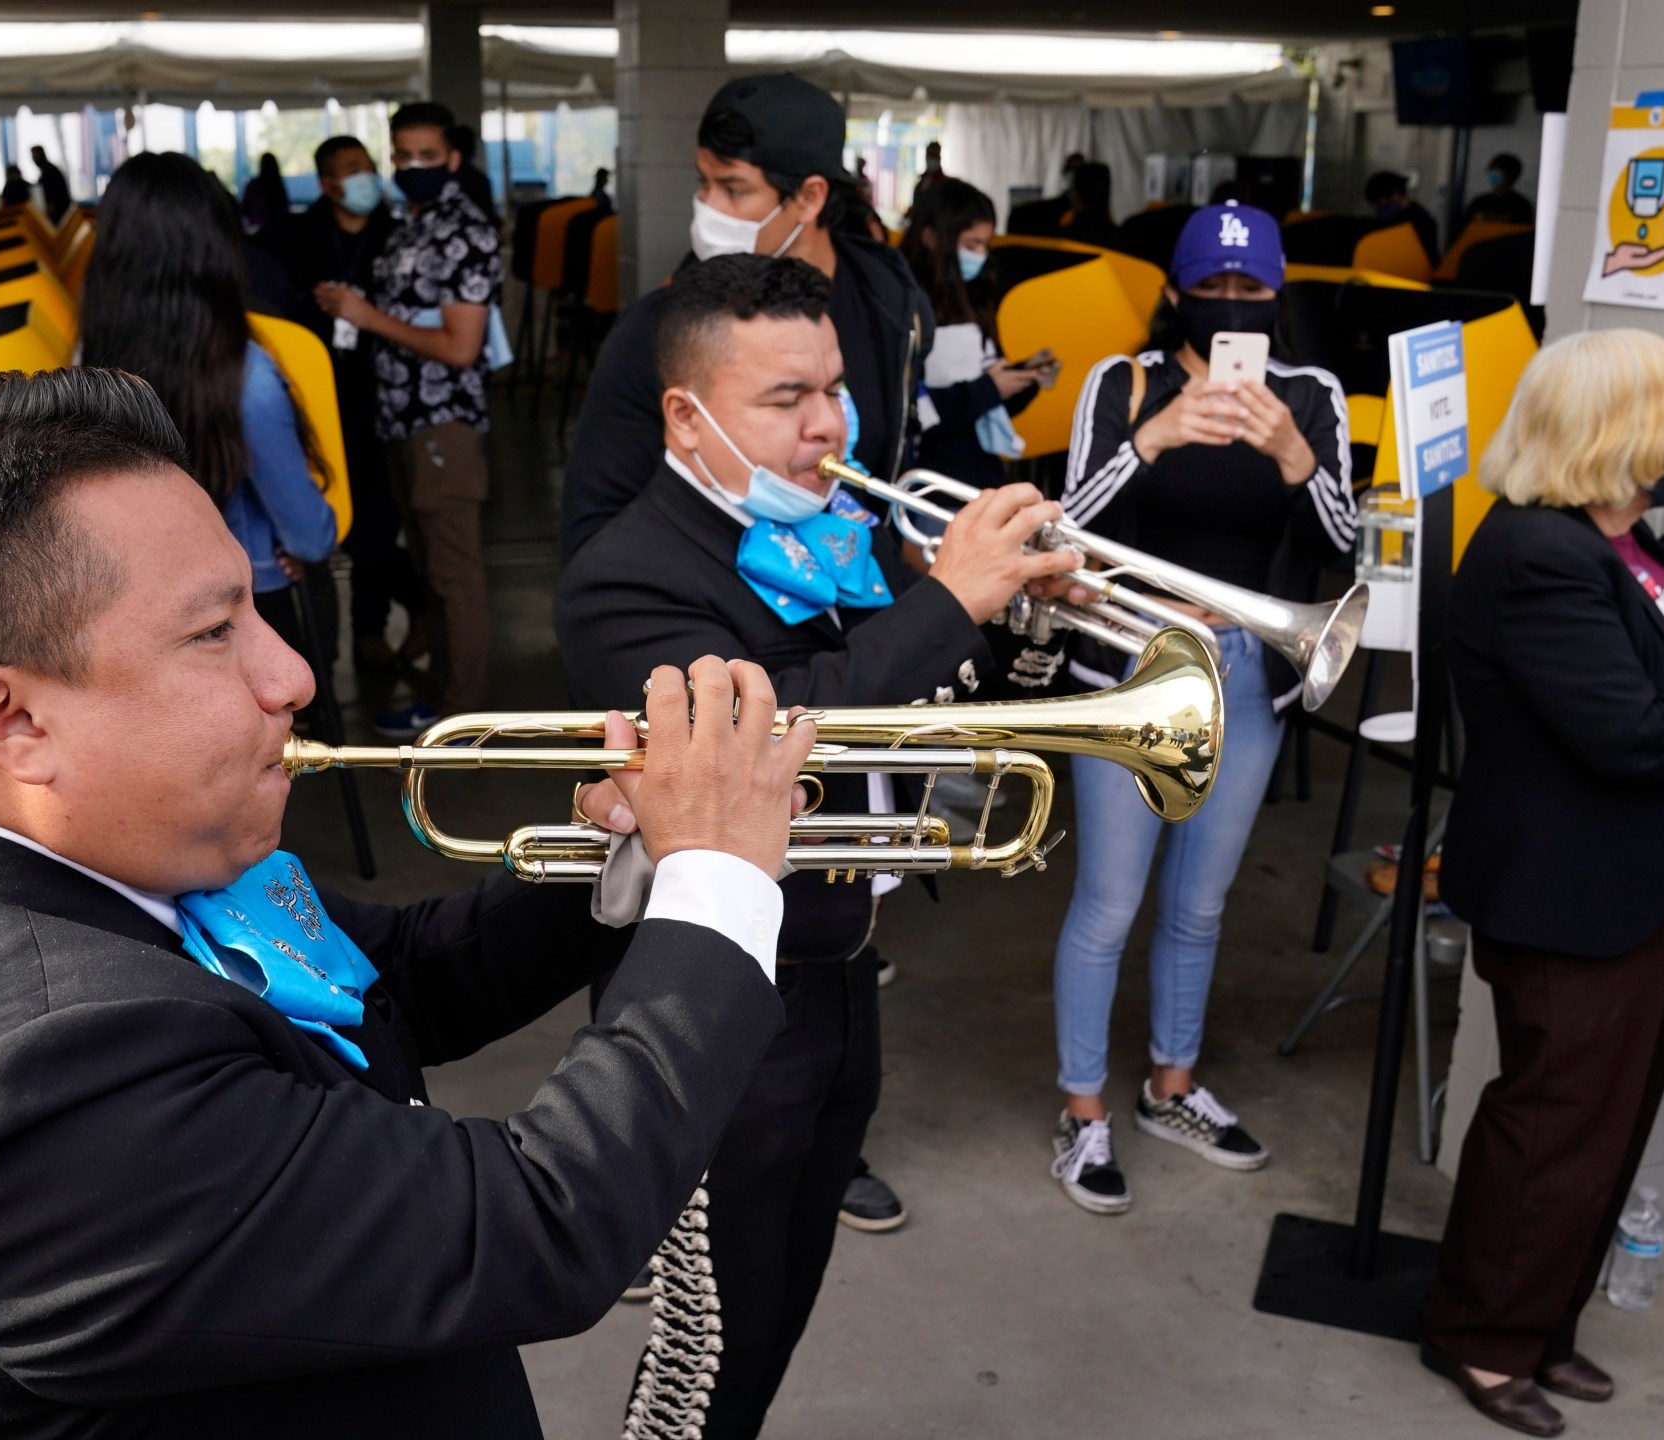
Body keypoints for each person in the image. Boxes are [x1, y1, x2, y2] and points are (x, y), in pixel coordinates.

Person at [0, 365, 811, 1437]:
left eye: (257, 606)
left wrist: (641, 859)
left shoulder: (98, 855)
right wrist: (717, 886)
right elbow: (539, 1227)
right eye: (212, 634)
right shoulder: (21, 1090)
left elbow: (393, 981)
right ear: (11, 722)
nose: (290, 674)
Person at [559, 255, 1079, 1440]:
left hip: (839, 964)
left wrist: (1026, 613)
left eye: (835, 389)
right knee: (710, 1344)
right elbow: (785, 721)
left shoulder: (832, 534)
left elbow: (933, 690)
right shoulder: (626, 575)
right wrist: (949, 596)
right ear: (687, 417)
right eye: (784, 397)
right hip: (711, 1011)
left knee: (786, 1293)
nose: (827, 425)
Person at [1422, 328, 1664, 1436]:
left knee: (1608, 1118)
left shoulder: (1629, 541)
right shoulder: (1538, 556)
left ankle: (1543, 1323)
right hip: (1580, 885)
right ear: (1618, 432)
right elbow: (1633, 731)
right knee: (1552, 1120)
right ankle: (1481, 1339)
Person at [1047, 203, 1354, 1215]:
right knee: (1108, 900)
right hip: (1132, 665)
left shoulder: (1309, 395)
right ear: (1176, 291)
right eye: (1210, 289)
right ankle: (1082, 1109)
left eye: (1250, 290)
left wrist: (1292, 457)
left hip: (1248, 667)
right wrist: (1154, 437)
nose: (1231, 306)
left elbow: (1346, 547)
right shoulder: (1123, 383)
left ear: (1276, 293)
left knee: (1201, 902)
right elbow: (1067, 530)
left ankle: (1170, 1085)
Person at [560, 73, 936, 567]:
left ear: (810, 197)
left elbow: (893, 479)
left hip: (862, 611)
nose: (708, 208)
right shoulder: (657, 331)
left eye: (734, 188)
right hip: (718, 627)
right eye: (704, 182)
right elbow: (595, 529)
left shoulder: (893, 310)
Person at [80, 151, 336, 662]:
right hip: (248, 610)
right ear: (215, 250)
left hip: (139, 609)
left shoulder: (88, 365)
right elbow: (309, 536)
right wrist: (300, 546)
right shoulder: (246, 376)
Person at [313, 100, 501, 734]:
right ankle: (446, 699)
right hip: (402, 419)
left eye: (428, 156)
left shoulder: (465, 232)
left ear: (451, 158)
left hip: (441, 422)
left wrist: (369, 319)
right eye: (404, 156)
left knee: (454, 572)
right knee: (429, 569)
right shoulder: (409, 226)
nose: (413, 167)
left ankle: (462, 714)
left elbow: (460, 346)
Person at [280, 134, 425, 677]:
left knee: (378, 519)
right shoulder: (296, 238)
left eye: (368, 166)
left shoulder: (397, 236)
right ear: (327, 184)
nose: (365, 176)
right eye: (351, 169)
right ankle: (388, 618)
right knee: (341, 523)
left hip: (383, 396)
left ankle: (371, 630)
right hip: (317, 402)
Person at [897, 177, 1054, 489]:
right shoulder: (904, 306)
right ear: (931, 237)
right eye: (972, 244)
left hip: (981, 478)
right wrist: (989, 389)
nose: (980, 255)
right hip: (929, 486)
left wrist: (1025, 378)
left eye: (986, 244)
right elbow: (912, 413)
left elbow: (989, 398)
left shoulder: (976, 298)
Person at [1365, 169, 1441, 263]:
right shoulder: (1397, 217)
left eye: (1381, 203)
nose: (1380, 208)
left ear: (1395, 195)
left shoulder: (1420, 220)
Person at [1460, 151, 1535, 227]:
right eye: (1491, 170)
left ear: (1510, 175)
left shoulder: (1521, 205)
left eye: (1498, 172)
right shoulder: (1479, 202)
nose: (1493, 175)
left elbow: (1524, 231)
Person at [240, 148, 286, 234]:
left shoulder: (253, 185)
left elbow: (243, 209)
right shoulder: (278, 187)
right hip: (277, 234)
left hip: (256, 232)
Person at [30, 142, 72, 221]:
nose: (34, 159)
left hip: (59, 211)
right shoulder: (48, 170)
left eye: (35, 156)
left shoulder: (49, 171)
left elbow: (53, 193)